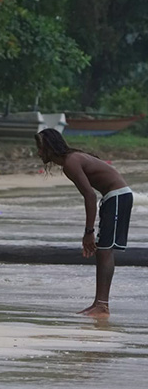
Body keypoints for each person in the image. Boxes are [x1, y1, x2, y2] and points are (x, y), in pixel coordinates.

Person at [35, 128, 133, 318]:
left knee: (105, 250)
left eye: (41, 148)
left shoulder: (71, 162)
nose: (39, 153)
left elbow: (89, 195)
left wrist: (88, 231)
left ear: (50, 147)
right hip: (113, 197)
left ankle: (102, 306)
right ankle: (99, 303)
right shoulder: (71, 161)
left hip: (118, 196)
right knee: (102, 250)